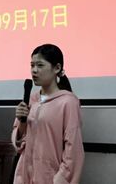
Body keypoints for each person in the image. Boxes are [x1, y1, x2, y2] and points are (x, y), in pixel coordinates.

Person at [12, 44, 84, 184]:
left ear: (57, 68)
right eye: (32, 65)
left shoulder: (68, 102)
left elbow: (73, 148)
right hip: (24, 177)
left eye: (40, 65)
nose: (34, 70)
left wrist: (60, 178)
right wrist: (21, 123)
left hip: (51, 178)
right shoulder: (31, 99)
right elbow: (20, 142)